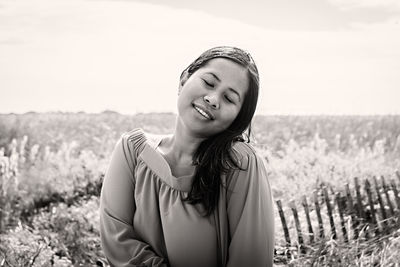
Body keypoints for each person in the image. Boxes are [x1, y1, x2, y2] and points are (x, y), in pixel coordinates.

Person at [99, 46, 275, 267]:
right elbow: (117, 242)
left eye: (229, 98)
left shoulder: (240, 164)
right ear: (184, 80)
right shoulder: (132, 150)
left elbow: (250, 260)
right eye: (209, 83)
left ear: (238, 118)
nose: (212, 99)